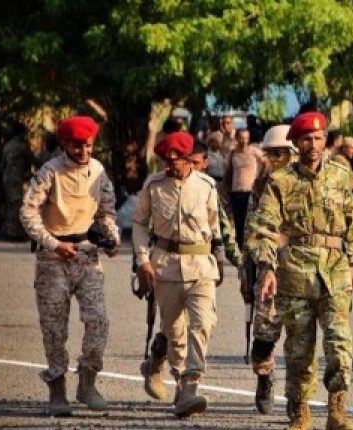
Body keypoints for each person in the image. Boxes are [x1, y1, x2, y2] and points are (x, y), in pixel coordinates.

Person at [247, 112, 353, 430]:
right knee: (300, 348)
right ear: (297, 143)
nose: (313, 144)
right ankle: (300, 412)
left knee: (340, 343)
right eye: (306, 139)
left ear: (325, 141)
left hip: (335, 271)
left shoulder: (340, 175)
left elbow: (352, 223)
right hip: (295, 272)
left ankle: (337, 412)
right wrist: (267, 267)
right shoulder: (281, 181)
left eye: (318, 138)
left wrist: (352, 262)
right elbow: (263, 228)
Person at [19, 116, 120, 416]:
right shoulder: (50, 172)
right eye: (77, 146)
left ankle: (87, 381)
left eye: (88, 146)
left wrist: (112, 239)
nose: (83, 152)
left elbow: (106, 213)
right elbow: (27, 212)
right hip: (53, 258)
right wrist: (53, 244)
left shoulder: (98, 171)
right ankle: (57, 388)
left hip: (87, 255)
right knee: (54, 327)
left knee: (98, 320)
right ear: (64, 144)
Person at [133, 131, 223, 418]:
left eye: (176, 161)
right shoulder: (154, 185)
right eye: (166, 161)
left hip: (201, 266)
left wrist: (220, 257)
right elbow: (139, 224)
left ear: (188, 159)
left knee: (203, 323)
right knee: (174, 332)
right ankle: (170, 372)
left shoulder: (207, 185)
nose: (170, 166)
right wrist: (142, 261)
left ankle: (190, 386)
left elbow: (215, 226)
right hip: (166, 266)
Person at [240, 124, 299, 415]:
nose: (276, 160)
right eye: (271, 154)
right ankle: (264, 375)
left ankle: (297, 395)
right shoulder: (260, 188)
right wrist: (246, 270)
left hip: (302, 268)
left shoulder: (305, 184)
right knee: (263, 334)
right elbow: (250, 232)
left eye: (281, 154)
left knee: (301, 338)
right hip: (268, 269)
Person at [224, 127, 265, 248]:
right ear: (237, 138)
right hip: (236, 190)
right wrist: (226, 187)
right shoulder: (233, 153)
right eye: (241, 138)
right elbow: (228, 171)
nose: (244, 141)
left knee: (251, 220)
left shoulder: (254, 151)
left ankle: (250, 245)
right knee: (238, 220)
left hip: (250, 191)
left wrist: (259, 178)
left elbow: (266, 162)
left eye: (246, 138)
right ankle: (240, 245)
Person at [2, 121, 37, 240]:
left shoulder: (8, 145)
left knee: (11, 203)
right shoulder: (21, 146)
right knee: (16, 204)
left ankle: (10, 230)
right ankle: (13, 233)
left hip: (7, 177)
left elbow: (3, 163)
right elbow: (32, 159)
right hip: (15, 178)